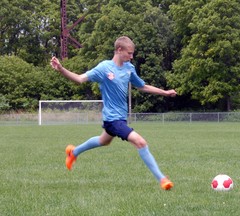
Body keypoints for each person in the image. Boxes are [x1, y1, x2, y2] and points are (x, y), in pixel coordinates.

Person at [50, 36, 177, 190]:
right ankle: (162, 179)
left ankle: (73, 152)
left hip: (121, 118)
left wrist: (165, 92)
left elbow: (142, 86)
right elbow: (79, 79)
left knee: (104, 141)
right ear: (119, 50)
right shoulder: (104, 68)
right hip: (112, 118)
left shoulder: (129, 68)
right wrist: (61, 69)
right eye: (129, 53)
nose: (131, 57)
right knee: (141, 142)